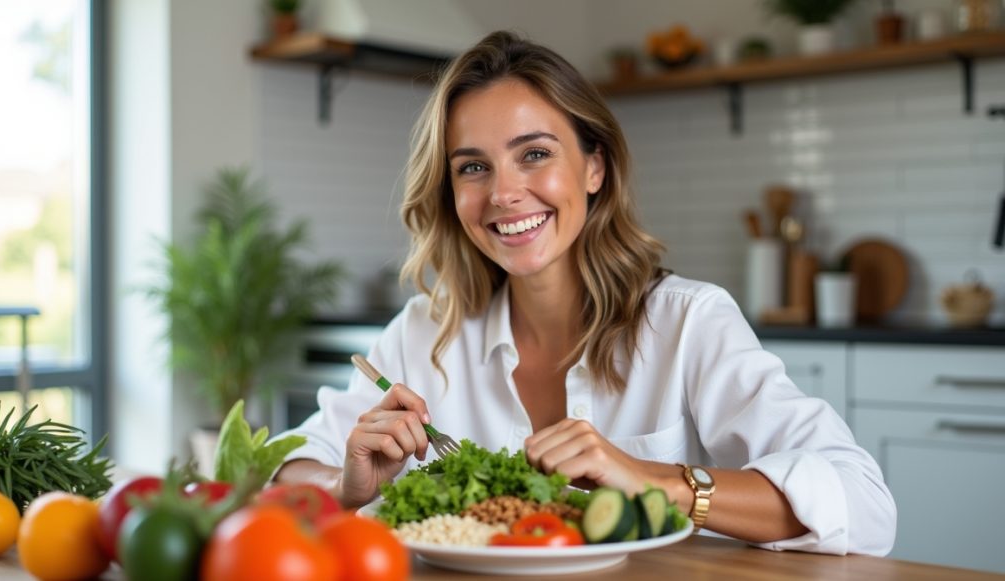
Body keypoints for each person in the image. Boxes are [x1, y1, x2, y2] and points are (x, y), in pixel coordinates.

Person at [275, 30, 896, 556]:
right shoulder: (423, 332)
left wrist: (654, 481)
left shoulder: (686, 322)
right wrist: (343, 485)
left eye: (534, 154)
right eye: (472, 167)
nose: (503, 193)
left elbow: (863, 504)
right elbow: (283, 469)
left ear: (594, 167)